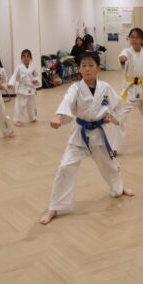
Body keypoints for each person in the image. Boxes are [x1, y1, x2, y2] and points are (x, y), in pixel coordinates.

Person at [40, 52, 134, 225]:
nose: (87, 69)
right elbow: (67, 101)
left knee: (110, 165)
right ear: (79, 69)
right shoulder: (75, 88)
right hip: (80, 135)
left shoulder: (105, 88)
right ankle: (54, 207)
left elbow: (118, 106)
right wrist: (58, 116)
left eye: (91, 65)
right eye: (83, 66)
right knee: (65, 167)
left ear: (98, 68)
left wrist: (111, 117)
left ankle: (118, 189)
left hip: (99, 134)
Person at [8, 49, 40, 126]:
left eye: (28, 56)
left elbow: (37, 76)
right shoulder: (19, 68)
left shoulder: (33, 67)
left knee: (31, 104)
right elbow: (14, 76)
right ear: (21, 58)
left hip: (31, 88)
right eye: (24, 56)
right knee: (20, 105)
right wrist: (11, 83)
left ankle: (32, 117)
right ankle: (18, 119)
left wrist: (36, 80)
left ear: (30, 58)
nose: (26, 58)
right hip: (22, 88)